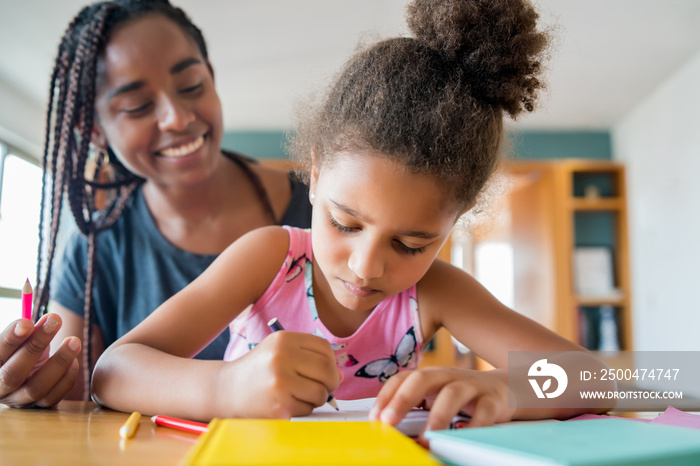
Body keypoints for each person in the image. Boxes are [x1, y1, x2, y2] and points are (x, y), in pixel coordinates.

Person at [91, 0, 600, 437]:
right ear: (313, 174)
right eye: (346, 223)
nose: (366, 267)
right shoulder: (269, 257)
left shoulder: (436, 292)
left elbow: (605, 382)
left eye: (411, 245)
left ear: (454, 223)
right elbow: (113, 372)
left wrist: (504, 388)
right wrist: (225, 386)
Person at [0, 0, 312, 408]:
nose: (177, 118)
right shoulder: (97, 248)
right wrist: (32, 385)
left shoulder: (325, 210)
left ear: (212, 78)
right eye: (137, 107)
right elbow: (70, 397)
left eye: (191, 86)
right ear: (94, 131)